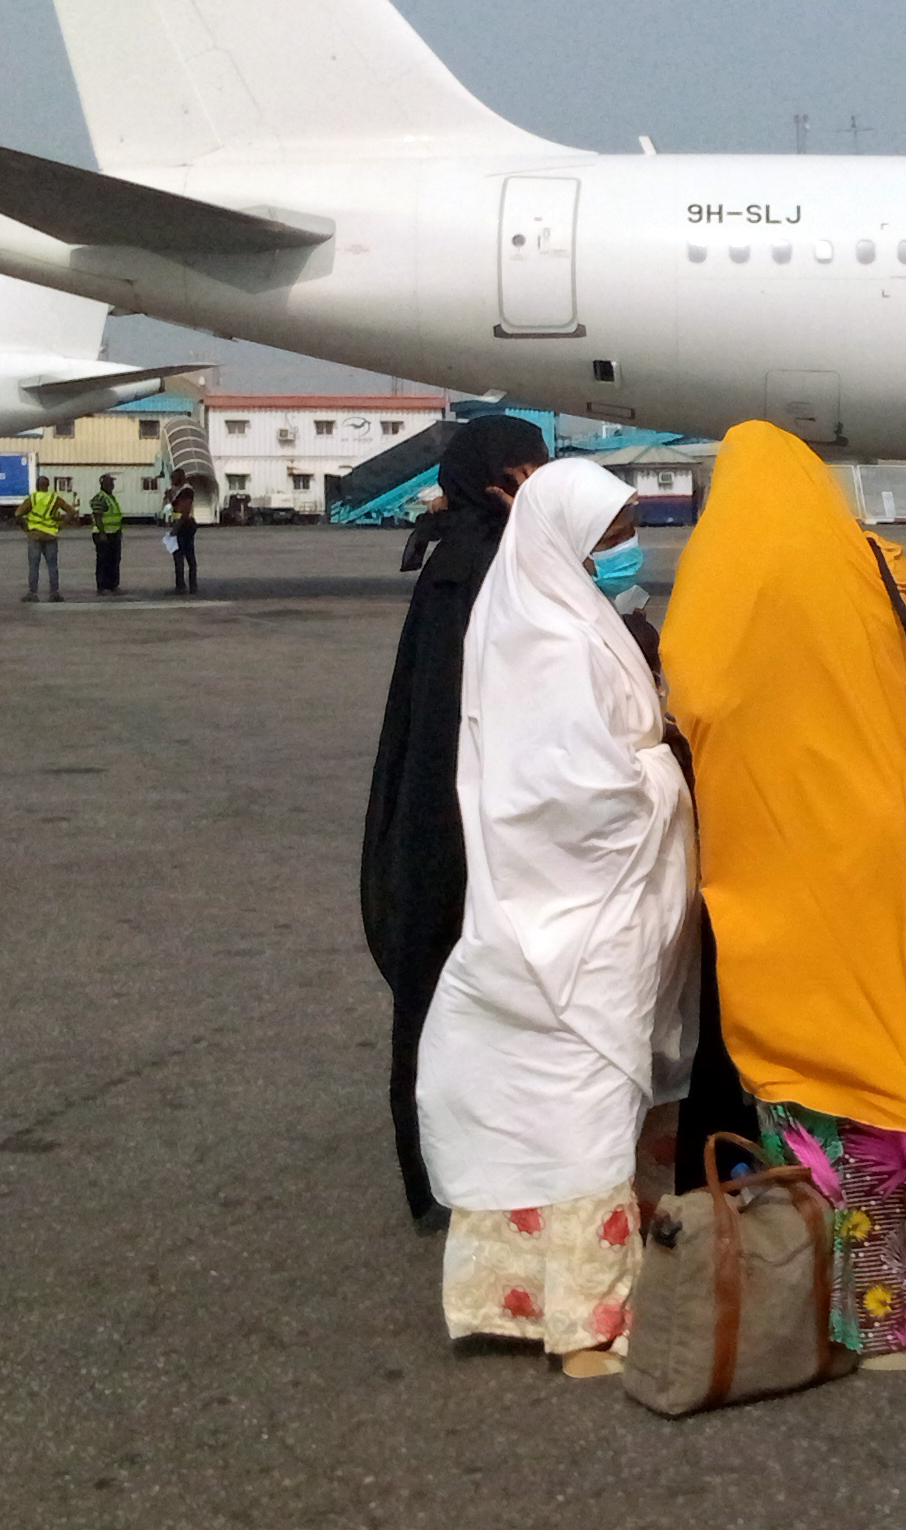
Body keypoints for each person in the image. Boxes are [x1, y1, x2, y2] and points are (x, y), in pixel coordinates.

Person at [663, 420, 906, 1374]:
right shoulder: (879, 565)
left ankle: (838, 1304)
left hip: (777, 866)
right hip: (888, 856)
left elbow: (694, 699)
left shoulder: (720, 584)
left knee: (806, 1063)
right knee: (898, 1051)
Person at [417, 456, 699, 1377]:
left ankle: (571, 1294)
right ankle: (581, 1318)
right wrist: (657, 773)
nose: (626, 551)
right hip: (569, 906)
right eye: (610, 537)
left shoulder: (573, 618)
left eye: (628, 532)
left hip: (607, 902)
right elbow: (563, 790)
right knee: (580, 1096)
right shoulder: (545, 636)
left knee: (601, 1086)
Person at [362, 415, 553, 1224]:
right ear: (493, 478)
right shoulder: (485, 565)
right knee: (466, 986)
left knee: (456, 989)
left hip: (456, 807)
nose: (538, 481)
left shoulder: (468, 555)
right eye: (526, 468)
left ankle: (460, 1162)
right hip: (471, 813)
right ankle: (465, 1168)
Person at [19, 481, 75, 602]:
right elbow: (70, 511)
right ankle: (54, 593)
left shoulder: (33, 498)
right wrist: (61, 524)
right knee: (52, 566)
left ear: (37, 485)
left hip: (35, 536)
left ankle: (32, 593)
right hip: (50, 536)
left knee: (34, 566)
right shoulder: (55, 498)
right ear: (48, 485)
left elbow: (18, 514)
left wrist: (25, 528)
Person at [89, 474, 126, 596]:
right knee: (103, 561)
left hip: (114, 533)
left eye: (112, 483)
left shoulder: (111, 497)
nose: (112, 485)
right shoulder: (100, 498)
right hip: (104, 534)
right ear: (103, 484)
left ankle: (113, 585)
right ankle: (102, 586)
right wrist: (102, 533)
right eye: (109, 483)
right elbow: (98, 517)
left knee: (114, 560)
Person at [164, 479, 201, 596]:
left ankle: (183, 587)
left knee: (182, 559)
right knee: (186, 559)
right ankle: (189, 586)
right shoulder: (180, 492)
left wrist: (175, 529)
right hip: (184, 527)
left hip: (184, 527)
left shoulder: (186, 491)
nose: (171, 481)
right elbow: (176, 508)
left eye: (173, 478)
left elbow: (184, 512)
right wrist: (170, 498)